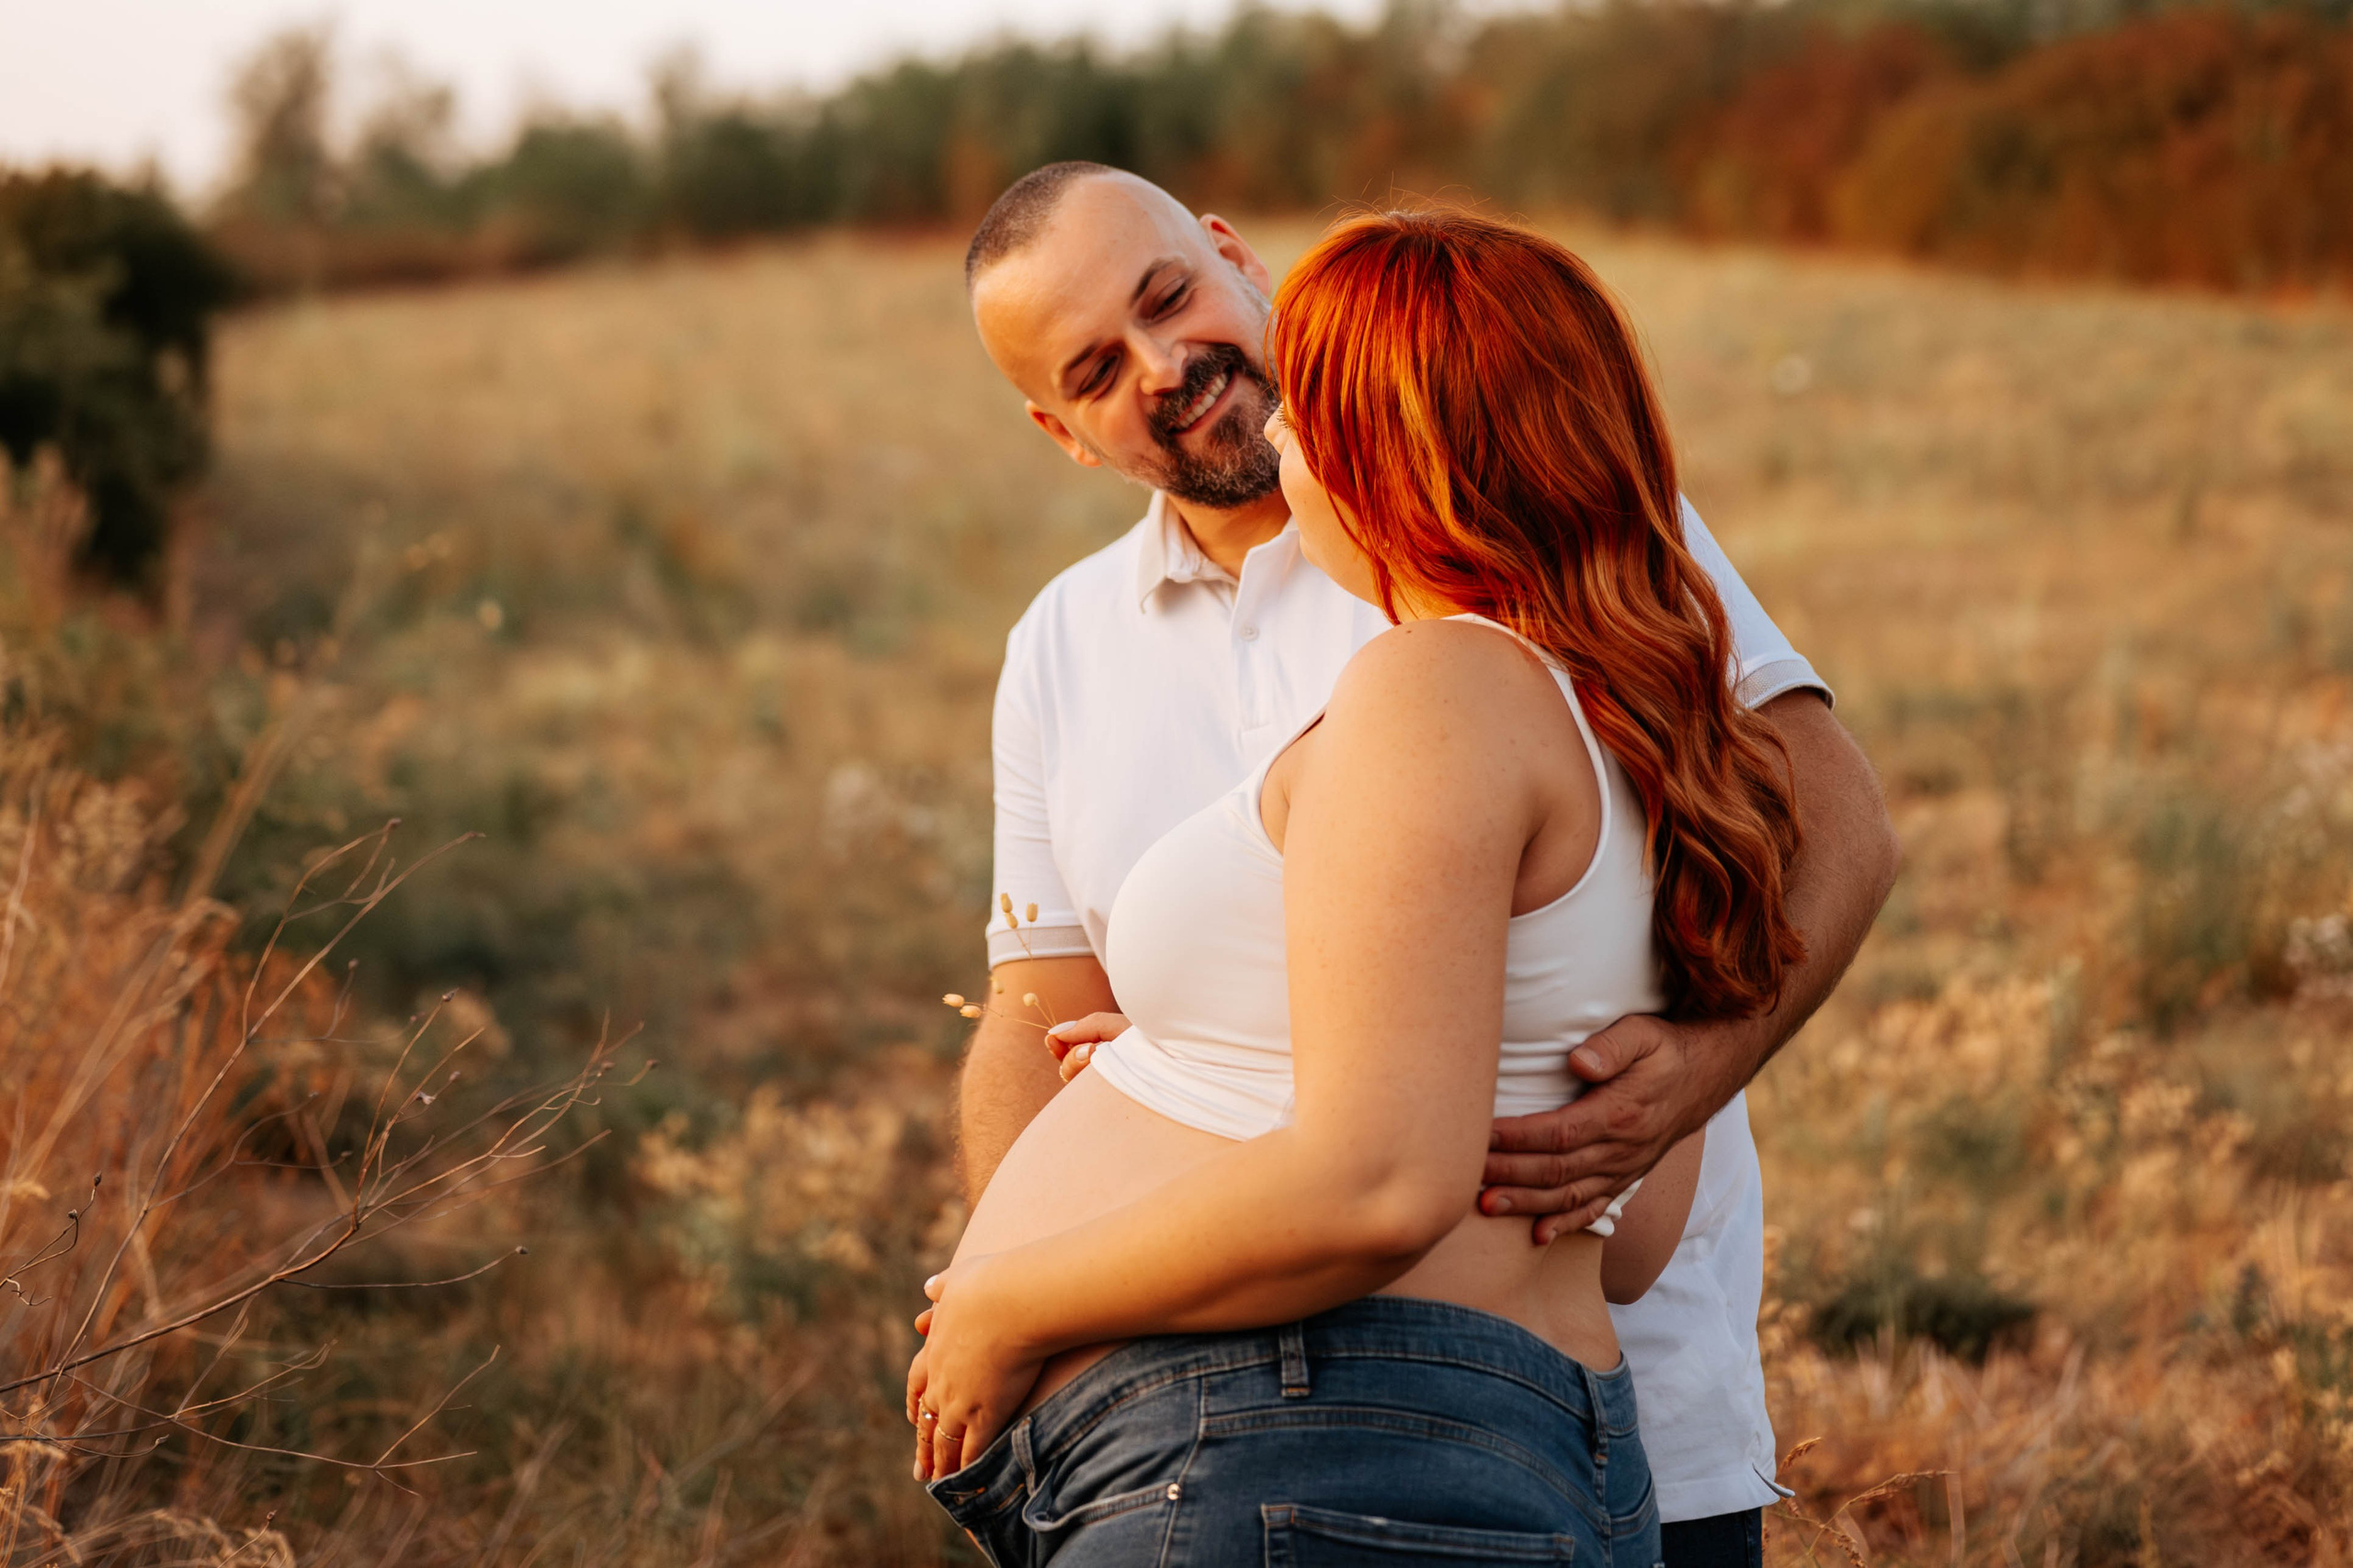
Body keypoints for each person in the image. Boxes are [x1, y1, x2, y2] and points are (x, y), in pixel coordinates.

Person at [947, 166, 1897, 1567]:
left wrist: (1695, 1066)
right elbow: (1037, 1012)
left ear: (1228, 252)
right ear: (1060, 428)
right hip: (1169, 1413)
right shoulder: (1063, 644)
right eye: (1098, 369)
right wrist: (1030, 1302)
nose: (1169, 365)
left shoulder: (1517, 515)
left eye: (1168, 297)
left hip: (1504, 1393)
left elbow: (1835, 823)